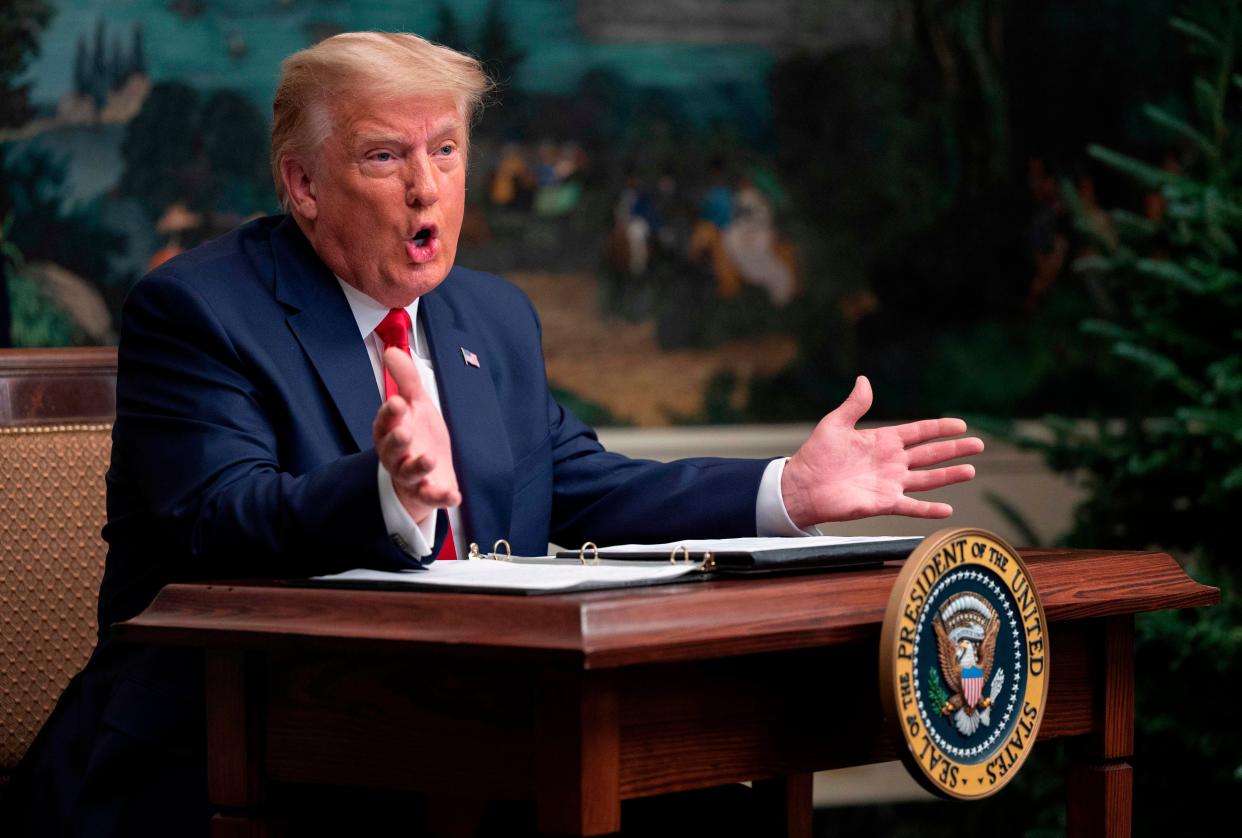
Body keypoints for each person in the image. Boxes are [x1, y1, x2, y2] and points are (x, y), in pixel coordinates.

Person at [2, 32, 982, 836]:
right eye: (386, 155)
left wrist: (785, 490)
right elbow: (221, 519)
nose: (428, 188)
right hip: (222, 760)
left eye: (446, 150)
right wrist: (385, 490)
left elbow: (581, 483)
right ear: (302, 184)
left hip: (456, 749)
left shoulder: (491, 317)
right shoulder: (199, 310)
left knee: (712, 812)